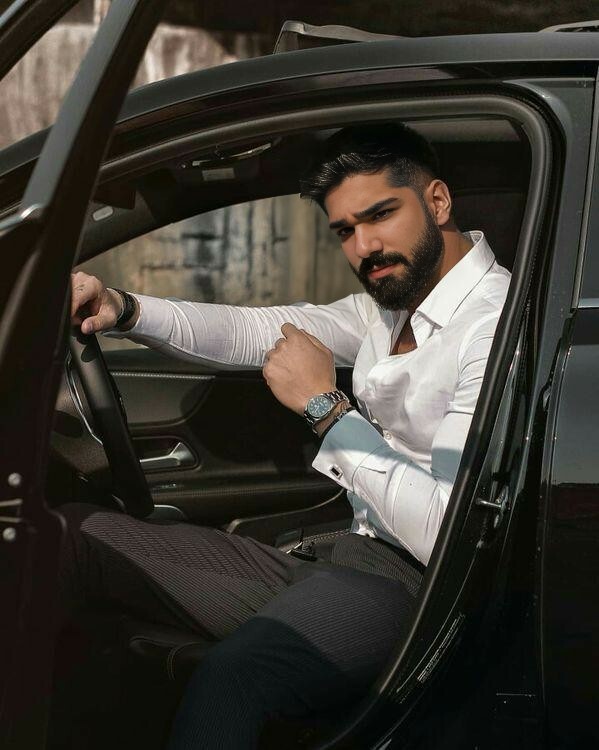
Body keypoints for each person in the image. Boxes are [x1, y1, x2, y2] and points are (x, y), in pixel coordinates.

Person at [63, 123, 510, 748]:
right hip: (348, 556)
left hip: (418, 585)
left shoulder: (493, 328)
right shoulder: (391, 308)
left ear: (437, 201)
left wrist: (327, 408)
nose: (365, 247)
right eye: (345, 230)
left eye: (381, 215)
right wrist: (124, 309)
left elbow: (448, 532)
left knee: (233, 679)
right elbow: (254, 332)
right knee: (72, 537)